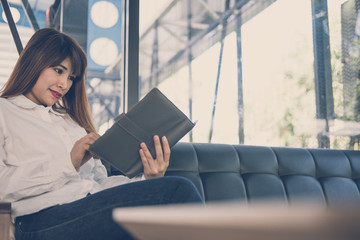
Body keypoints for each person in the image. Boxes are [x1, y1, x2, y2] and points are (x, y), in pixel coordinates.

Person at [0, 28, 203, 240]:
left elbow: (99, 184)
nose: (64, 85)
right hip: (40, 220)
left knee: (162, 212)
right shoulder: (4, 111)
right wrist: (69, 162)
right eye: (59, 71)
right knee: (177, 190)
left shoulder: (71, 123)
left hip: (88, 209)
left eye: (71, 78)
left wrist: (148, 179)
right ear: (34, 61)